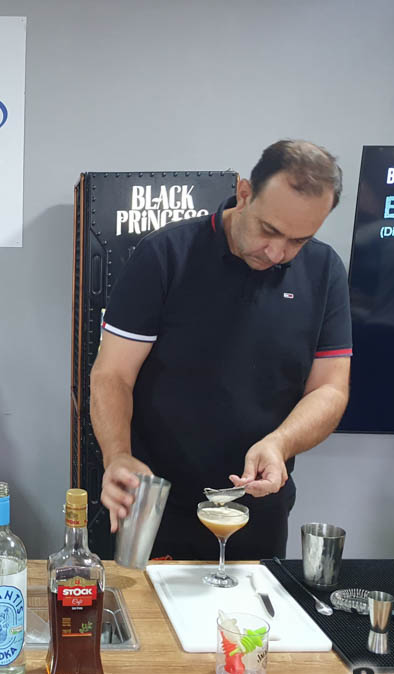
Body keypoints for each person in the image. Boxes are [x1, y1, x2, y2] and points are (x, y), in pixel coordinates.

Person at [91, 140, 352, 561]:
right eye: (269, 230)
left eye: (298, 240)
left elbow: (330, 389)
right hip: (153, 499)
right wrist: (117, 455)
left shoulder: (324, 270)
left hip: (257, 506)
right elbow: (112, 375)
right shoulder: (166, 255)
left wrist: (281, 443)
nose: (277, 253)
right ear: (244, 193)